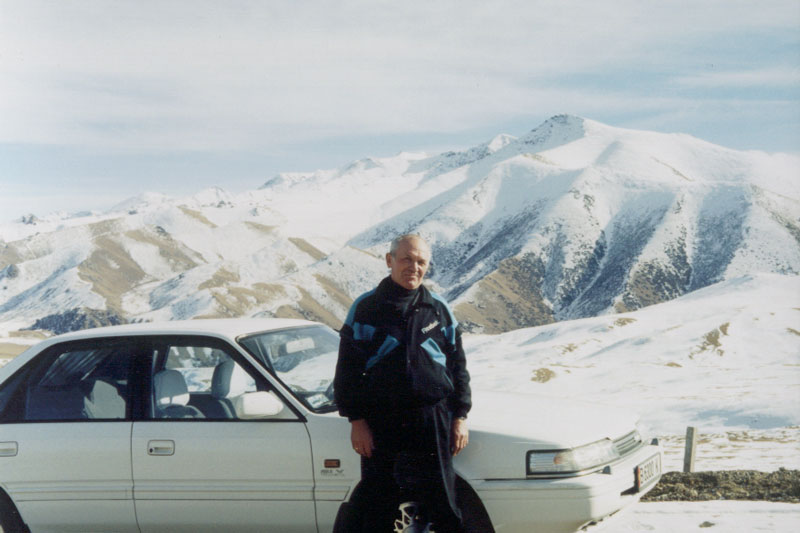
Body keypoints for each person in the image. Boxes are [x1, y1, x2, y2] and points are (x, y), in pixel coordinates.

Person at [334, 234, 471, 532]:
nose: (414, 267)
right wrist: (356, 421)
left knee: (445, 504)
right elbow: (347, 371)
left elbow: (457, 365)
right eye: (407, 259)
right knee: (379, 505)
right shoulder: (366, 309)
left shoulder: (438, 309)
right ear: (389, 260)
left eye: (421, 261)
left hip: (432, 417)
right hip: (382, 420)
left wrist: (460, 416)